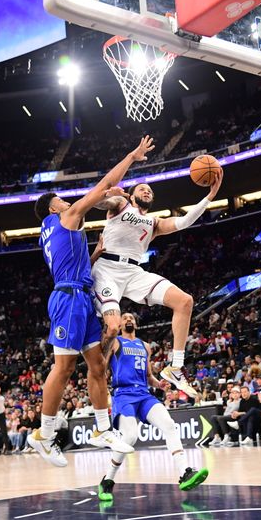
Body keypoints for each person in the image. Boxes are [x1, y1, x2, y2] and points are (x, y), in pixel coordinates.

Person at [28, 137, 155, 466]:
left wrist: (95, 252)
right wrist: (131, 156)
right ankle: (43, 434)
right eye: (61, 198)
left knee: (98, 366)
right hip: (69, 299)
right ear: (53, 207)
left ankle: (101, 428)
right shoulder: (65, 217)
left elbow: (72, 261)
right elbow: (106, 184)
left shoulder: (54, 231)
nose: (66, 200)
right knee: (64, 367)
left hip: (79, 295)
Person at [91, 166, 224, 398]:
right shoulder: (121, 205)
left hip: (134, 271)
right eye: (142, 189)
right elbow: (98, 204)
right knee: (112, 327)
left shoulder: (153, 223)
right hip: (107, 268)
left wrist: (209, 197)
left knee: (184, 301)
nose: (147, 191)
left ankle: (175, 367)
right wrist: (108, 194)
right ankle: (99, 366)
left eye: (150, 191)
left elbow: (183, 222)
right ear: (132, 196)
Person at [98, 312, 208, 502]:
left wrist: (159, 384)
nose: (128, 319)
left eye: (131, 317)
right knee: (130, 437)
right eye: (124, 318)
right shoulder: (116, 342)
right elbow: (101, 363)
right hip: (123, 395)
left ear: (136, 324)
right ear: (120, 324)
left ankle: (185, 473)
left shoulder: (145, 346)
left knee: (169, 425)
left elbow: (149, 377)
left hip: (143, 394)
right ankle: (107, 480)